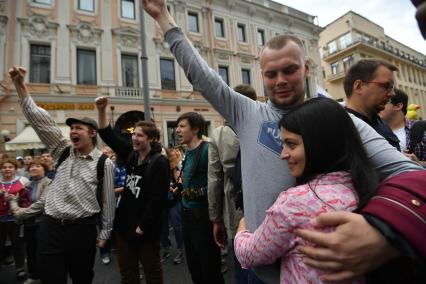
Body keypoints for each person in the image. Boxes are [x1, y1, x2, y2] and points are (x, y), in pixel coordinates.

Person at [141, 1, 423, 282]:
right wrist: (164, 18)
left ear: (306, 67)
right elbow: (201, 76)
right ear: (261, 74)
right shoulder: (247, 112)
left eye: (289, 70)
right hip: (258, 270)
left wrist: (380, 230)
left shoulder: (333, 119)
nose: (280, 81)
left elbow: (411, 175)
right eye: (271, 74)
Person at [235, 97, 376, 283]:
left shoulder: (295, 203)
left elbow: (251, 254)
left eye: (291, 144)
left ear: (319, 143)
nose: (283, 154)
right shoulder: (371, 189)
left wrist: (241, 230)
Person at [9, 66, 115, 284]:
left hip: (82, 231)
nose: (73, 132)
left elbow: (108, 201)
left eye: (78, 128)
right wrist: (20, 85)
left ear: (92, 133)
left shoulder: (104, 163)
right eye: (71, 129)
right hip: (50, 227)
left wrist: (105, 232)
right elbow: (39, 119)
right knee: (51, 278)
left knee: (81, 278)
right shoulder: (62, 150)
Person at [95, 96, 170, 284]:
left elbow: (156, 200)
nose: (134, 138)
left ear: (151, 139)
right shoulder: (131, 154)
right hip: (123, 226)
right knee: (128, 274)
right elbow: (108, 135)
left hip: (145, 229)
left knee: (152, 273)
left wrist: (142, 227)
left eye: (139, 135)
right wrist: (102, 110)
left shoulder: (159, 162)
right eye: (133, 134)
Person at [207, 84, 260, 284]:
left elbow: (214, 180)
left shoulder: (219, 134)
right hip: (266, 204)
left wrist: (215, 218)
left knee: (242, 261)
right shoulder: (264, 126)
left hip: (235, 209)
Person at [175, 112, 224, 284]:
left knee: (209, 269)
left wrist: (195, 193)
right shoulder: (187, 151)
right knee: (194, 268)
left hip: (203, 217)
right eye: (177, 126)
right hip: (187, 214)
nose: (177, 130)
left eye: (182, 126)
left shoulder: (208, 149)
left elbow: (218, 184)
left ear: (195, 129)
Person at [343, 59, 400, 151]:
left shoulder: (381, 122)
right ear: (359, 86)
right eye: (386, 86)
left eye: (392, 87)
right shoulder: (341, 128)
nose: (392, 93)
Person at [10, 158, 51, 284]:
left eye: (38, 166)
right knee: (30, 250)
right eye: (31, 166)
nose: (33, 168)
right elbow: (13, 199)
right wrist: (16, 210)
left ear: (44, 169)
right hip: (28, 224)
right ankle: (34, 276)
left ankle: (46, 277)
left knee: (42, 252)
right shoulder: (27, 184)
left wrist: (21, 213)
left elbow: (42, 204)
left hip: (42, 223)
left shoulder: (49, 183)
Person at [0, 158, 30, 281]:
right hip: (0, 219)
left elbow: (29, 198)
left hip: (16, 218)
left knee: (17, 244)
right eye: (4, 167)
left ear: (15, 169)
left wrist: (17, 200)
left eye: (10, 167)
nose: (7, 169)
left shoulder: (23, 180)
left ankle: (19, 268)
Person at [380, 88, 426, 167]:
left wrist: (420, 163)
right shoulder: (372, 131)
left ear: (398, 106)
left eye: (384, 102)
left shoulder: (422, 129)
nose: (379, 105)